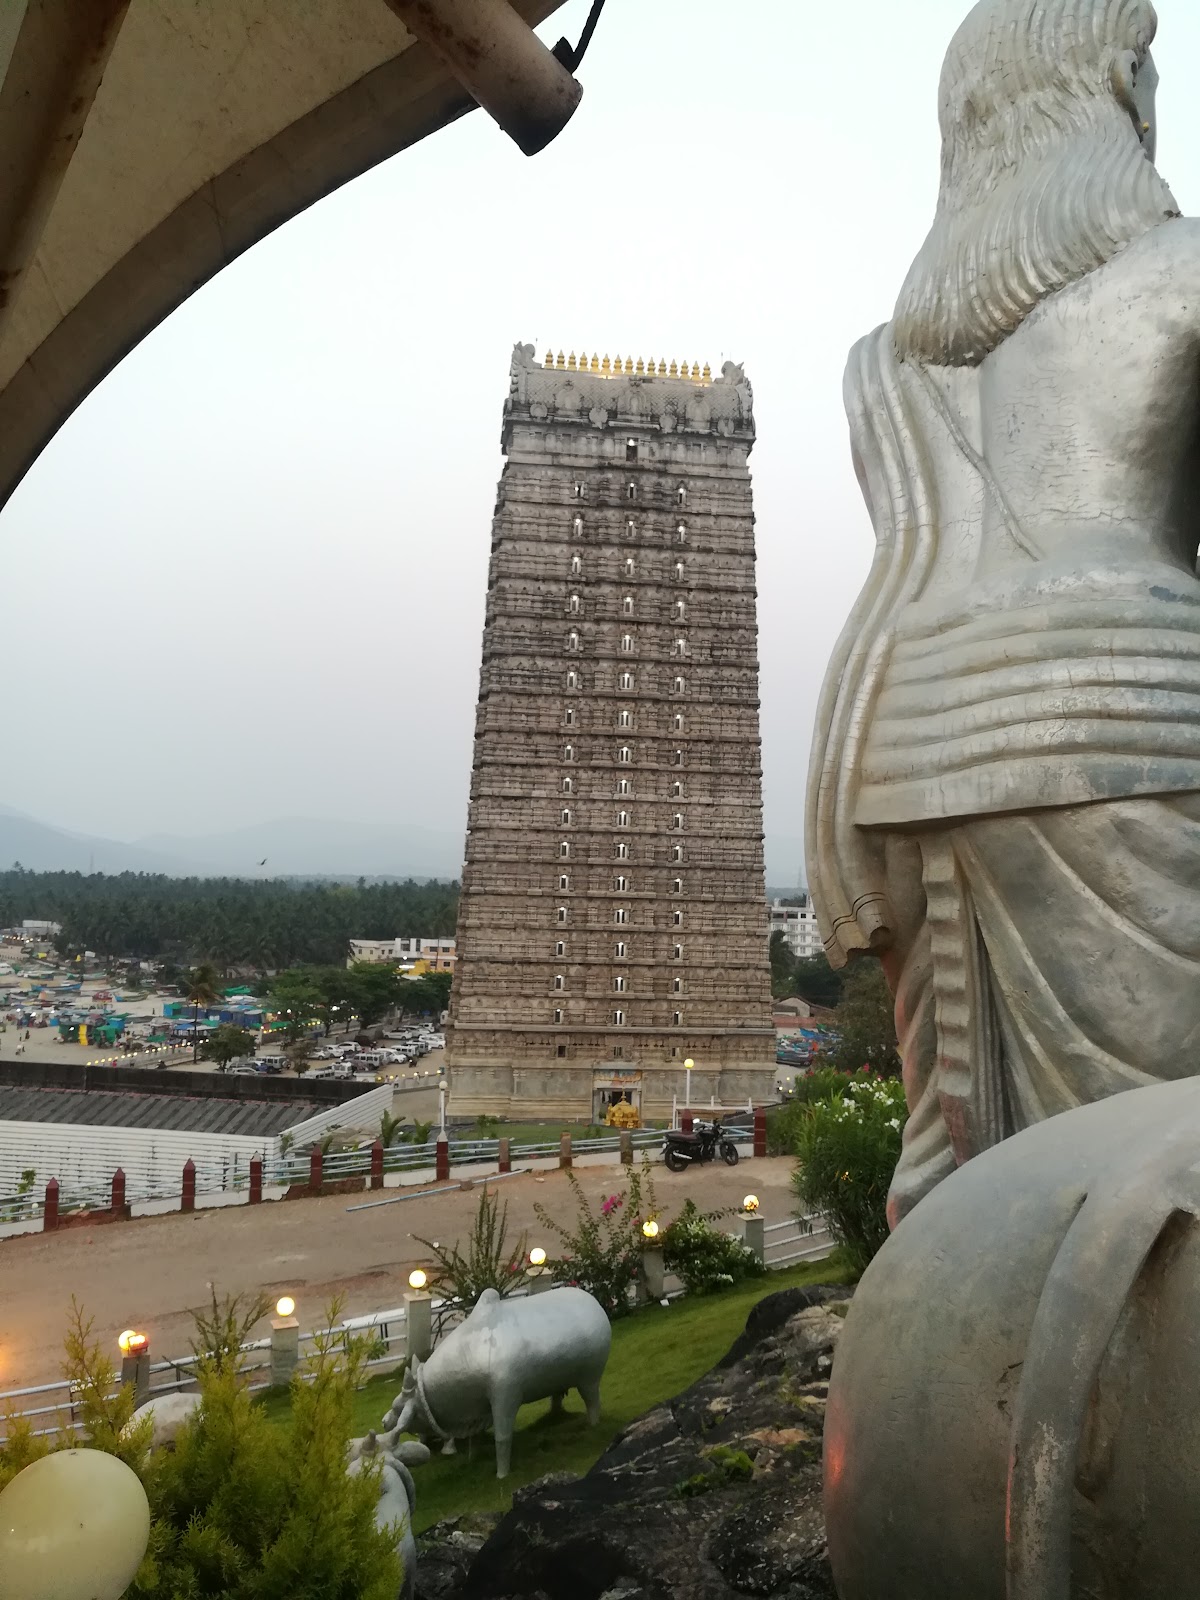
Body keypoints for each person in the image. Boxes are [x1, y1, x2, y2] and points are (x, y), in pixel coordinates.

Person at [808, 0, 1200, 1224]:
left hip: (910, 744)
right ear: (1112, 90)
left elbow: (911, 562)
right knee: (1160, 1161)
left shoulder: (888, 357)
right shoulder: (1183, 273)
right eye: (1145, 73)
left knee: (961, 1174)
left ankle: (959, 1345)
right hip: (1127, 726)